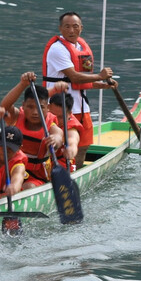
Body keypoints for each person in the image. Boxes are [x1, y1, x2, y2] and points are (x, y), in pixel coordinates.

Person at [42, 10, 113, 166]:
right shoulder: (57, 49)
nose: (71, 30)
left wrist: (102, 85)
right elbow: (74, 77)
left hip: (81, 104)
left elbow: (81, 81)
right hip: (60, 106)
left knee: (84, 145)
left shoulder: (80, 47)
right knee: (60, 144)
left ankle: (77, 171)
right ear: (60, 29)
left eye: (75, 26)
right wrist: (100, 76)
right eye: (67, 27)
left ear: (81, 27)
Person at [0, 72, 65, 188]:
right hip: (12, 168)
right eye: (30, 107)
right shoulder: (17, 116)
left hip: (36, 175)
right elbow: (4, 106)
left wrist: (55, 140)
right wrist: (22, 84)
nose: (35, 112)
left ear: (47, 108)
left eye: (40, 107)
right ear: (23, 106)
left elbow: (59, 135)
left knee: (28, 188)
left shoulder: (51, 126)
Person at [46, 90, 84, 171]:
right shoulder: (42, 118)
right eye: (53, 115)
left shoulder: (71, 129)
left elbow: (72, 141)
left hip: (61, 164)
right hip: (43, 163)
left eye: (60, 117)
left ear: (69, 114)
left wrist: (71, 150)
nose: (55, 120)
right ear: (48, 107)